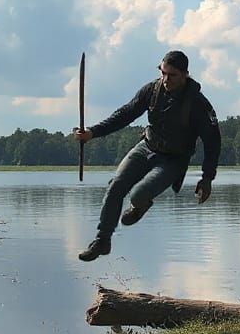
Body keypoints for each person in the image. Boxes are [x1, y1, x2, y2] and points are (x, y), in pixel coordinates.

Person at [72, 50, 221, 262]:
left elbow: (213, 142)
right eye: (163, 73)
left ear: (185, 74)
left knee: (138, 194)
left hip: (173, 160)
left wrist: (207, 178)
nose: (166, 79)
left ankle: (140, 205)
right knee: (115, 186)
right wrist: (92, 133)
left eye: (172, 75)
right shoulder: (152, 90)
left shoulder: (198, 103)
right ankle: (102, 240)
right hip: (146, 147)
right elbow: (125, 114)